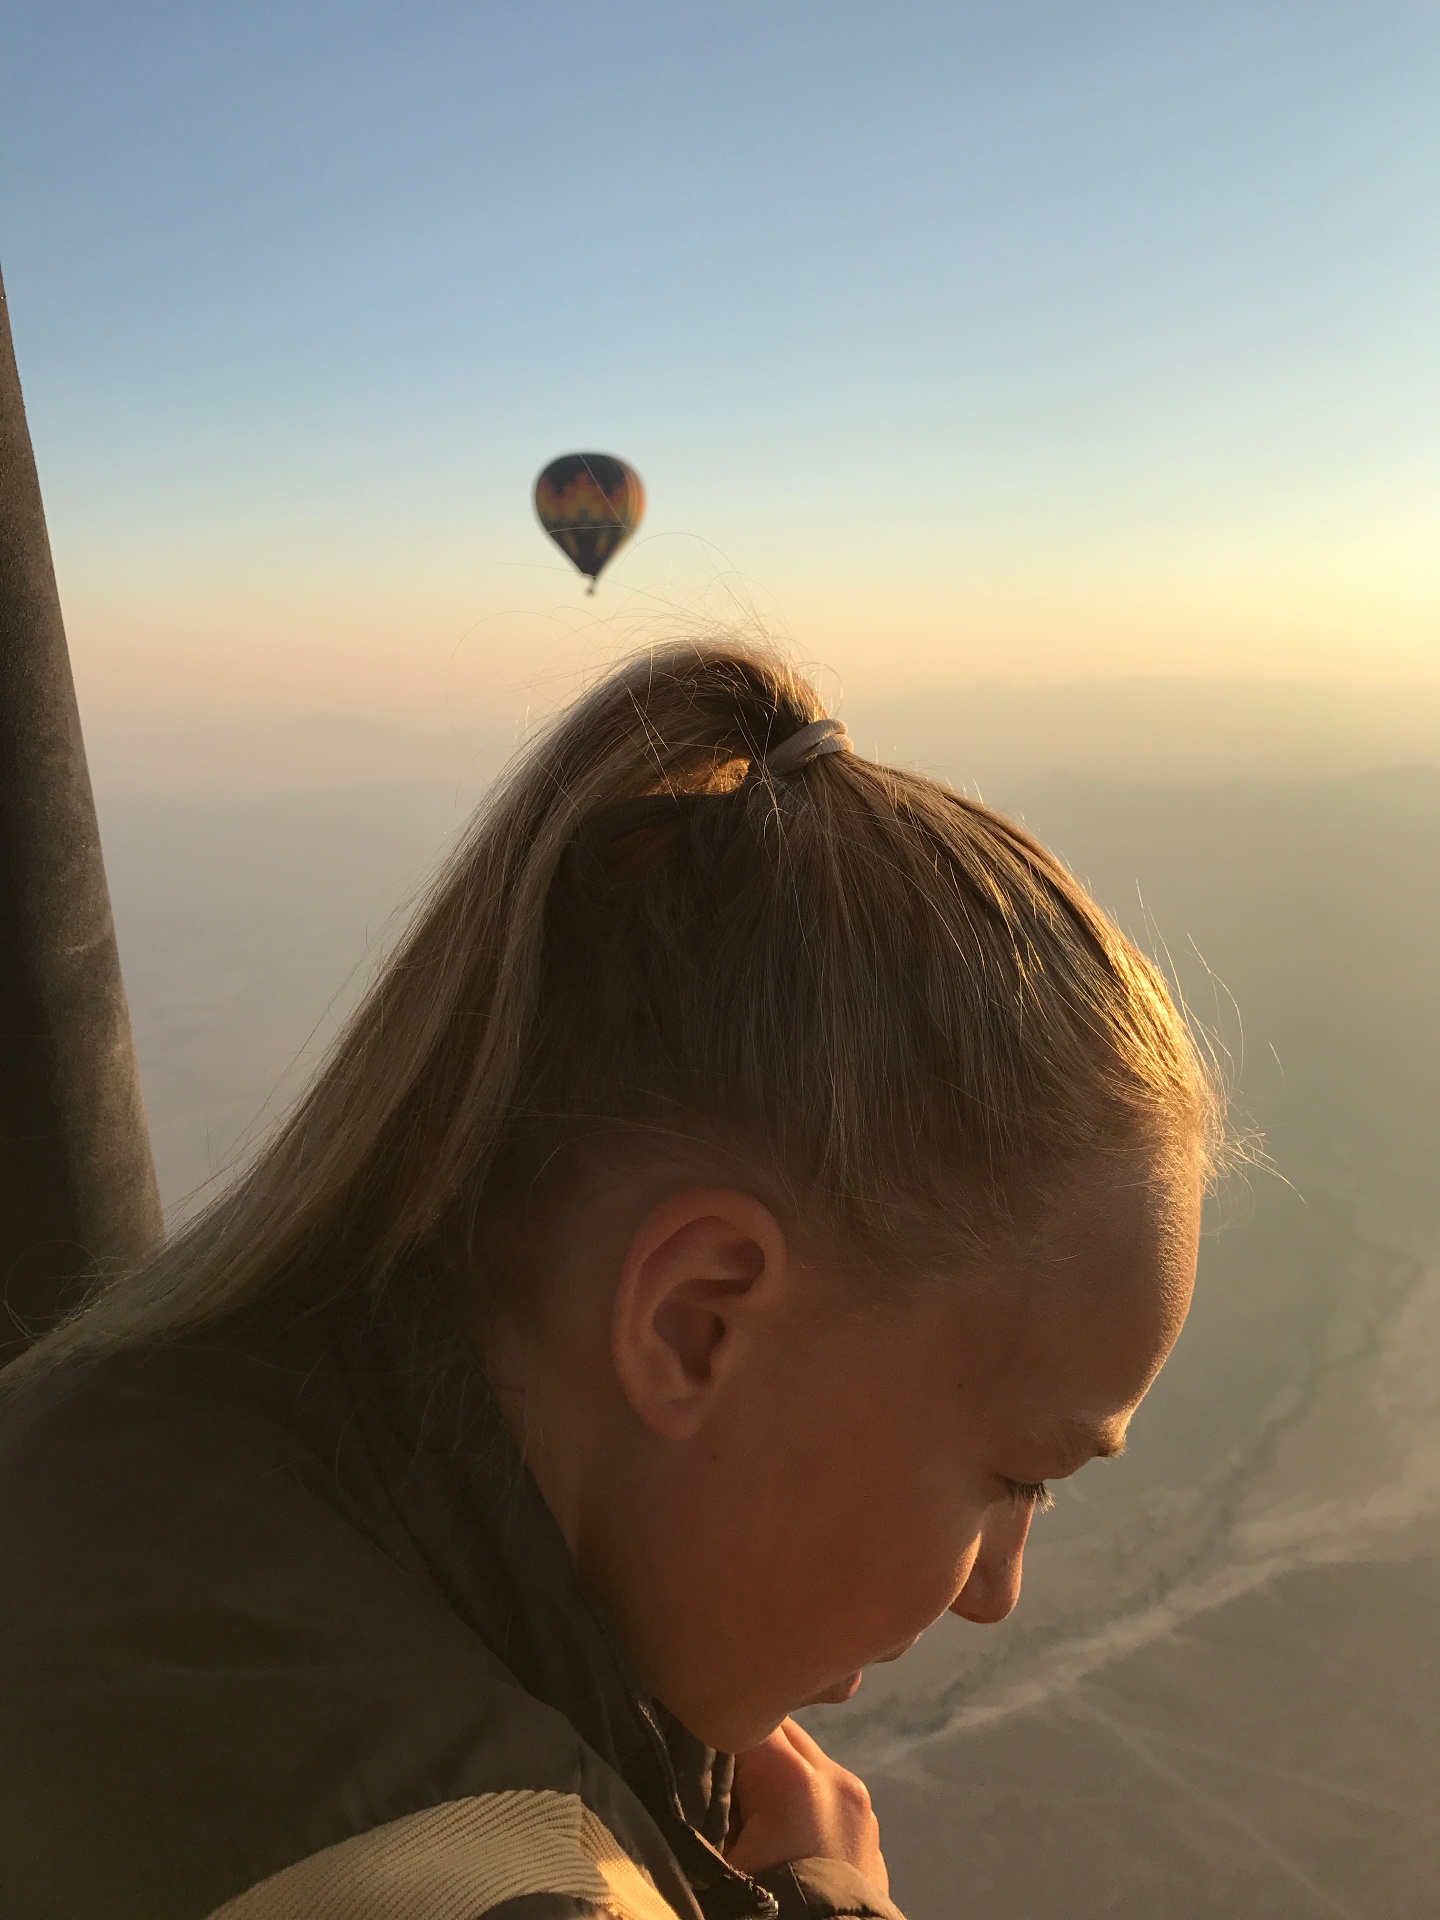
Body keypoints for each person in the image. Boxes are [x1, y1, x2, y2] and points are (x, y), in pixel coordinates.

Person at [0, 644, 1218, 1920]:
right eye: (1020, 1477)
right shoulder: (481, 1884)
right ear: (697, 1322)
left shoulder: (130, 1439)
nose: (995, 1592)